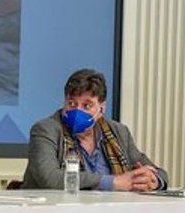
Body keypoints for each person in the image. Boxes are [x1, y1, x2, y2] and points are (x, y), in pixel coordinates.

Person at [22, 68, 167, 191]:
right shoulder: (45, 130)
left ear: (102, 108)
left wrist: (153, 181)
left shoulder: (118, 132)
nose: (77, 111)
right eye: (72, 103)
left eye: (87, 106)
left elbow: (158, 171)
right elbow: (50, 178)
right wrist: (115, 182)